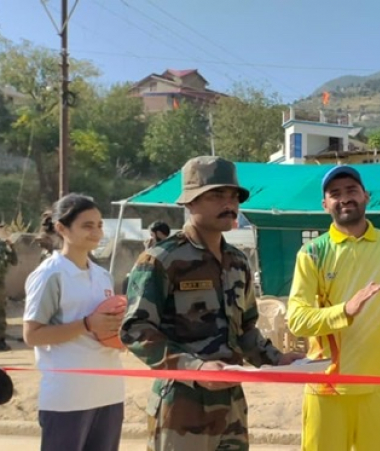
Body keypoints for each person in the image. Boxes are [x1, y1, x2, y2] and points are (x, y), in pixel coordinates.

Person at [120, 156, 303, 451]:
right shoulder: (162, 259)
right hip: (181, 404)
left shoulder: (238, 262)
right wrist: (195, 367)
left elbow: (245, 330)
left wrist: (277, 359)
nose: (229, 204)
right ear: (190, 203)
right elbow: (135, 330)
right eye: (217, 195)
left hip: (230, 403)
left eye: (233, 196)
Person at [287, 166, 380, 451]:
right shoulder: (313, 253)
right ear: (324, 204)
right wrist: (344, 311)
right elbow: (297, 319)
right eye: (335, 193)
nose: (344, 198)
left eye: (351, 190)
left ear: (366, 196)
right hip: (327, 389)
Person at [23, 193, 125, 451]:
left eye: (100, 224)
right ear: (61, 228)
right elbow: (32, 335)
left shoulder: (103, 275)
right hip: (68, 398)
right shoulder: (50, 274)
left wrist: (120, 333)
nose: (97, 232)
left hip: (110, 393)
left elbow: (107, 327)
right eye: (87, 225)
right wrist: (87, 325)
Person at [0, 231, 18, 351]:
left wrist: (12, 246)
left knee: (0, 311)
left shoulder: (3, 245)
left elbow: (14, 261)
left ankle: (1, 340)